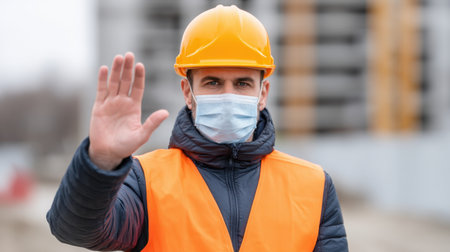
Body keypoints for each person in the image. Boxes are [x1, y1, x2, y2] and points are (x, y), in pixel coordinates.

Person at [47, 5, 348, 252]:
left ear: (263, 93)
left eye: (242, 83)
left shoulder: (314, 186)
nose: (228, 95)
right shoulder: (145, 181)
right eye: (213, 82)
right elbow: (75, 230)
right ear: (188, 92)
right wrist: (101, 161)